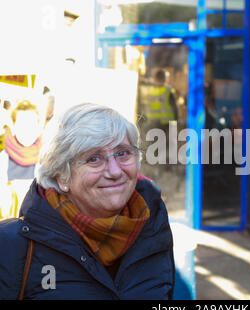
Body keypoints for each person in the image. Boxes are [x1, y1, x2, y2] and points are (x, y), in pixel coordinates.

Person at [0, 103, 175, 299]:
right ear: (62, 176)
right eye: (94, 159)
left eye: (123, 153)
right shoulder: (11, 245)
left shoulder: (153, 223)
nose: (115, 171)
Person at [0, 100, 43, 220]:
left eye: (32, 125)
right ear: (13, 127)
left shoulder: (49, 160)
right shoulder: (2, 160)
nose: (27, 130)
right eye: (22, 124)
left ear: (39, 127)